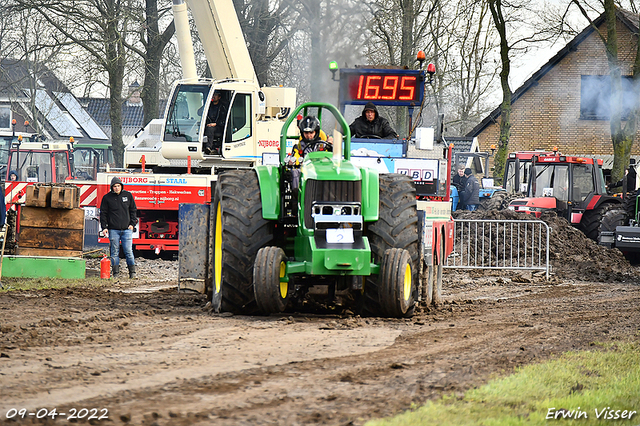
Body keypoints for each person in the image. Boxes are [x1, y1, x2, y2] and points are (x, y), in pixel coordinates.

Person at [99, 177, 138, 278]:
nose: (116, 188)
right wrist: (104, 227)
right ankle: (116, 273)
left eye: (118, 186)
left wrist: (132, 224)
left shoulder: (128, 195)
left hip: (126, 230)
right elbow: (103, 213)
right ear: (112, 187)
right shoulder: (107, 198)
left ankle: (132, 273)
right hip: (113, 230)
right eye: (114, 186)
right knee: (114, 252)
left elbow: (133, 210)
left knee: (128, 251)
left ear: (121, 186)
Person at [203, 91, 227, 155]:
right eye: (213, 94)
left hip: (219, 126)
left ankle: (208, 147)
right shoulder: (209, 105)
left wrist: (215, 123)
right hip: (208, 125)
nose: (214, 96)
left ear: (219, 97)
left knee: (210, 129)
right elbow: (199, 112)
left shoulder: (222, 107)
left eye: (216, 95)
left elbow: (224, 120)